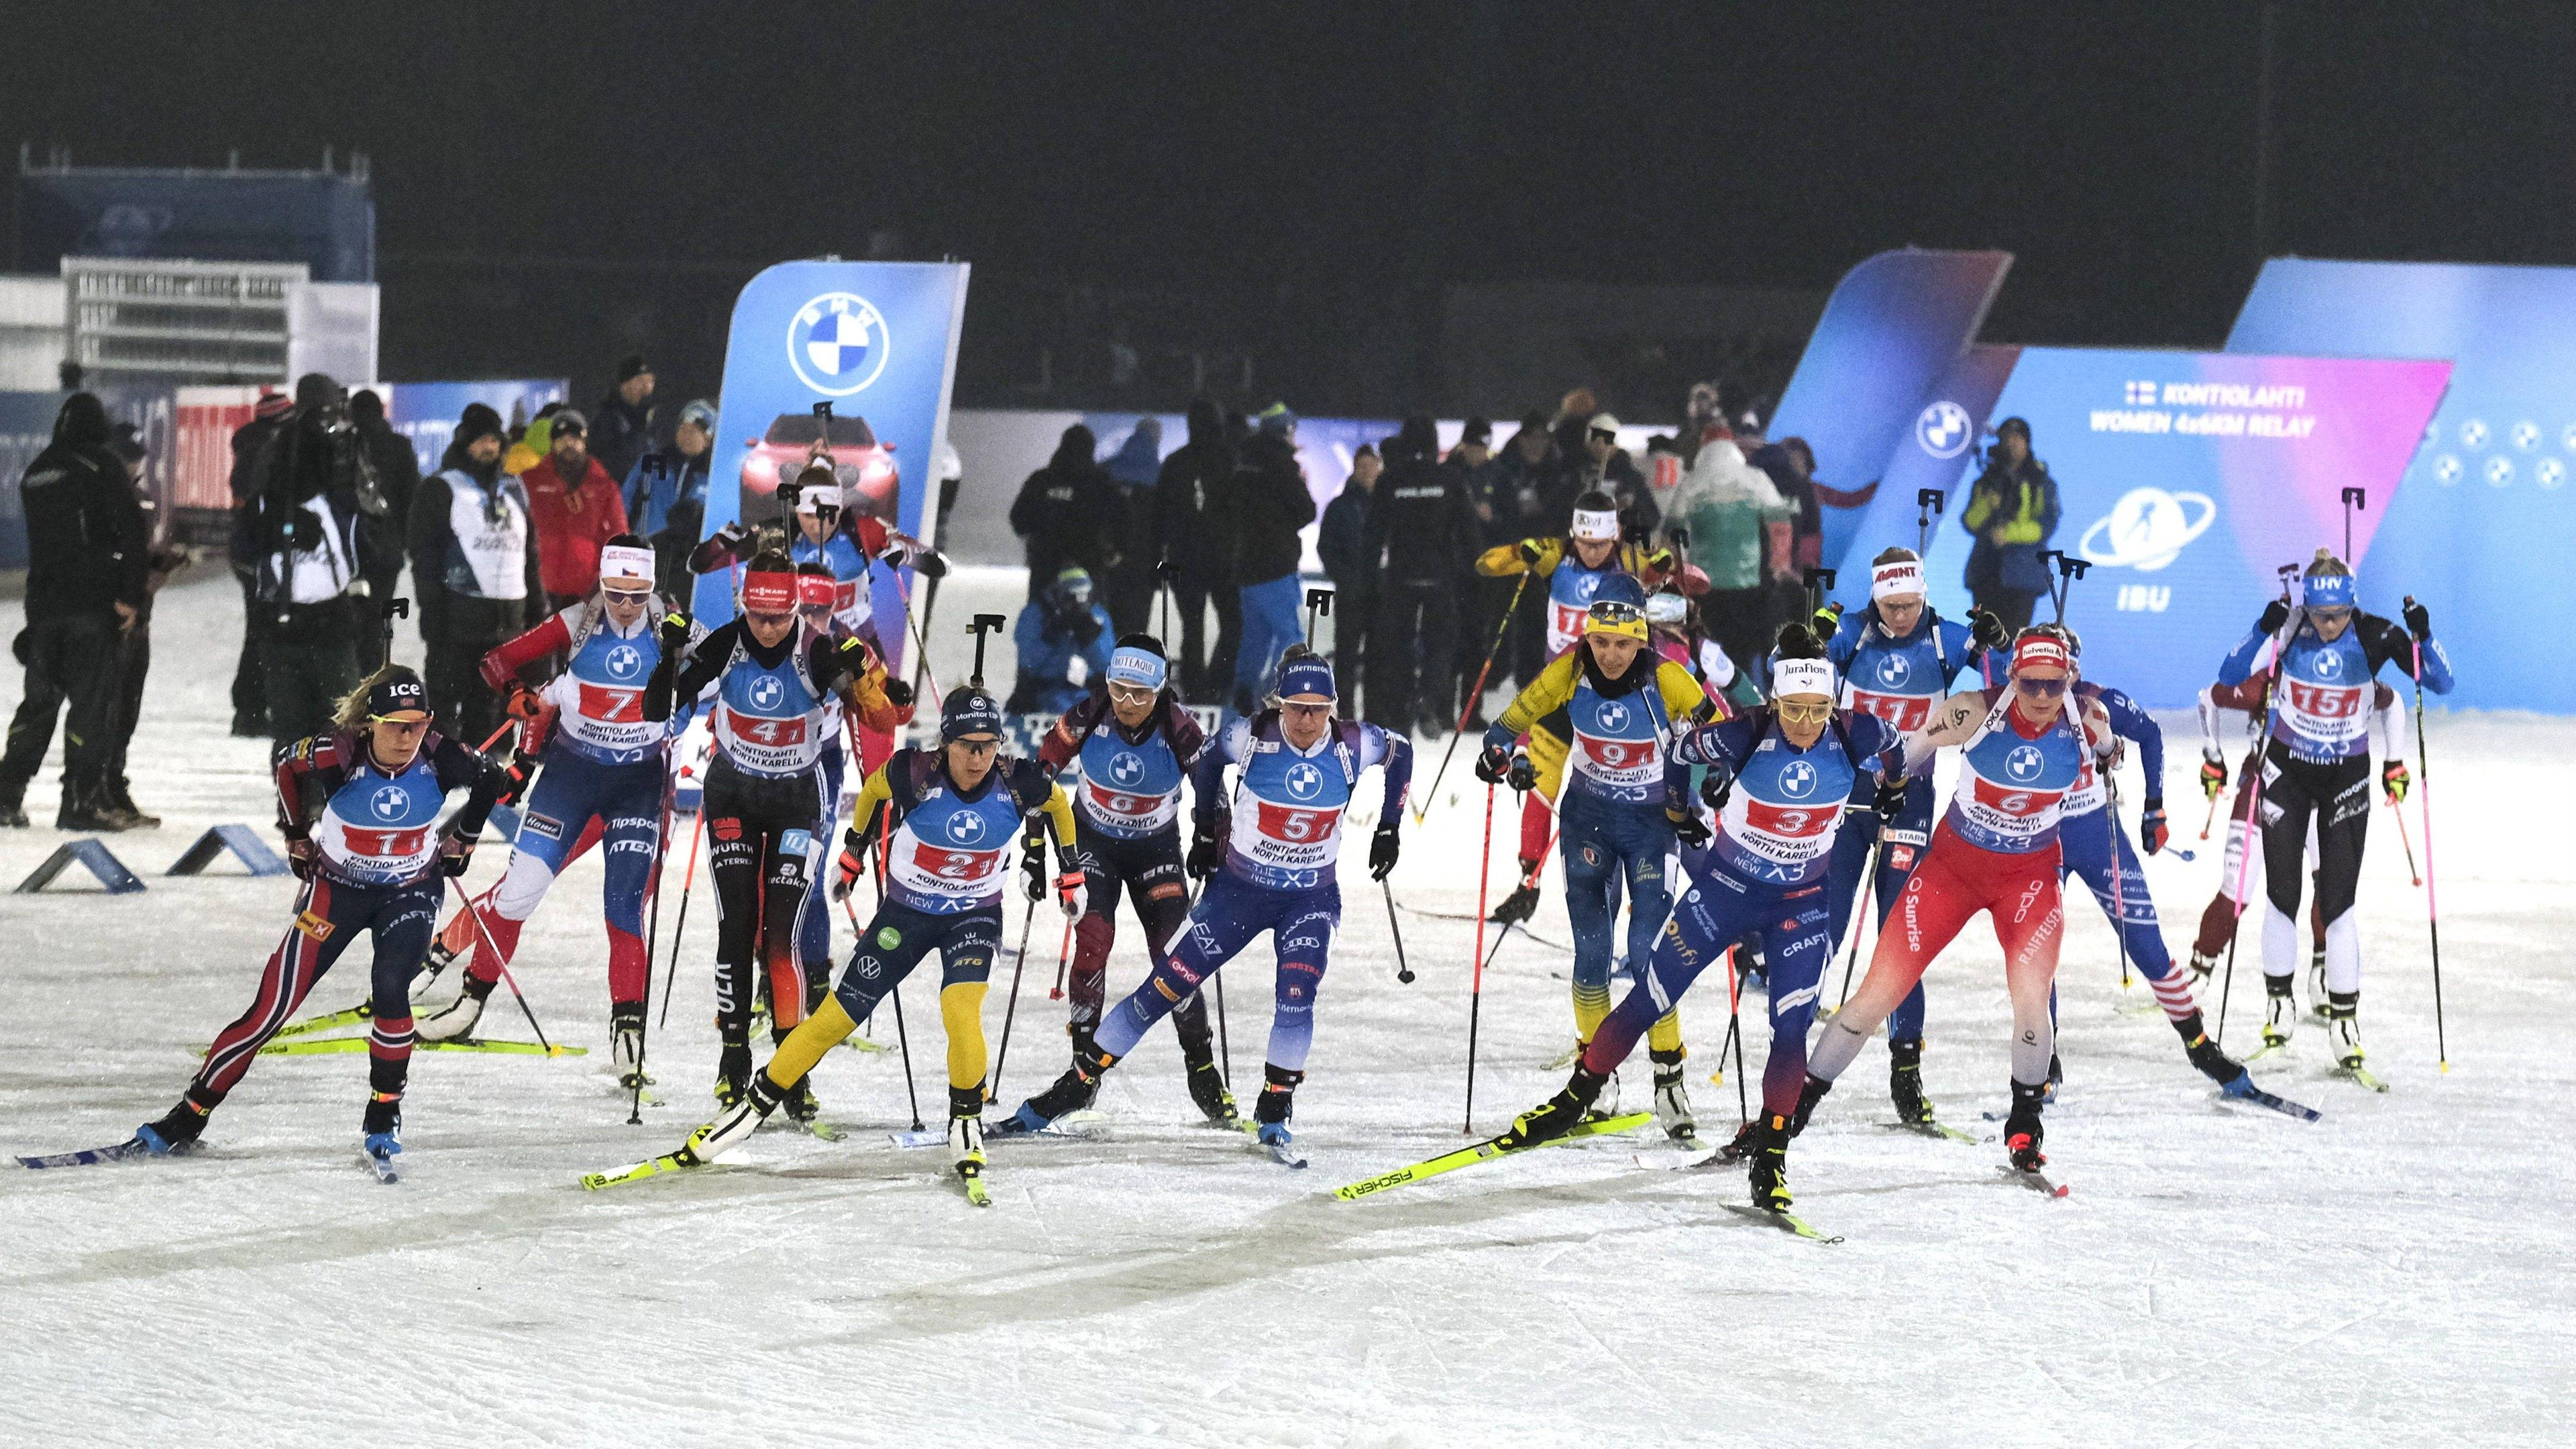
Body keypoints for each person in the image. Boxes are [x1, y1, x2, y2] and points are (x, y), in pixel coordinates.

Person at [1495, 625, 1904, 1216]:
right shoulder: (1745, 730)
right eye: (1794, 709)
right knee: (1648, 997)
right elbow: (1681, 752)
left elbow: (1895, 749)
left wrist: (1893, 789)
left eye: (1818, 710)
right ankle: (1575, 1097)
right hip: (1725, 893)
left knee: (1790, 1031)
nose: (1807, 724)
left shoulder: (1856, 731)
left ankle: (1771, 1156)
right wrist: (1680, 809)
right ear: (1775, 700)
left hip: (1802, 904)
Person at [651, 684, 1079, 1195]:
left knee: (961, 1013)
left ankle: (965, 1122)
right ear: (946, 744)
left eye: (988, 745)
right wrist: (854, 852)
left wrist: (1068, 871)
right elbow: (874, 791)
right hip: (907, 914)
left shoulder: (1018, 782)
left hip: (973, 918)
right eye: (967, 745)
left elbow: (1057, 804)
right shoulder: (914, 774)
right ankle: (750, 1110)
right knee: (832, 1019)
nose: (978, 757)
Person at [1001, 645, 1411, 1156]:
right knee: (1163, 987)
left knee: (1297, 992)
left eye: (1318, 709)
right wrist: (1203, 830)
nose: (1306, 721)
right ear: (1278, 703)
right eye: (1295, 707)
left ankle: (1276, 1104)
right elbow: (1212, 760)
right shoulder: (1251, 735)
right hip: (1239, 894)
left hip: (1309, 898)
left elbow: (1402, 751)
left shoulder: (1357, 742)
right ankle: (1077, 1083)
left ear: (1333, 708)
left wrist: (1390, 826)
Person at [126, 666, 500, 1167]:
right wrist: (295, 835)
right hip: (337, 892)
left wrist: (466, 839)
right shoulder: (338, 753)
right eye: (394, 724)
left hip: (409, 892)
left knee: (392, 988)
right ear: (371, 722)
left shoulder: (441, 755)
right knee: (271, 1008)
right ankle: (190, 1113)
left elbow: (492, 777)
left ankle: (384, 1113)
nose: (406, 736)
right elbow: (286, 765)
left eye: (416, 724)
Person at [1800, 628, 2114, 1183]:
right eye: (2030, 683)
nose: (2041, 696)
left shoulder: (2087, 721)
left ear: (2069, 679)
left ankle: (2025, 1121)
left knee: (2032, 1000)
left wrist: (2114, 758)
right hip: (1953, 869)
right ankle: (1793, 1111)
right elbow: (1912, 751)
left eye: (2053, 684)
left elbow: (2112, 752)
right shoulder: (1973, 712)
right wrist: (1887, 789)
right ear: (2012, 677)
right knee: (1877, 994)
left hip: (2030, 878)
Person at [414, 539, 696, 1088]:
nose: (626, 607)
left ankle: (628, 1035)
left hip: (639, 785)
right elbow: (496, 662)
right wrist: (516, 693)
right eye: (615, 594)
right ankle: (469, 1005)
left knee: (623, 908)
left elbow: (738, 666)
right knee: (518, 892)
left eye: (638, 596)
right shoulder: (577, 622)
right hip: (571, 778)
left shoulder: (675, 627)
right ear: (600, 584)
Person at [642, 551, 902, 1108]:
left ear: (794, 610)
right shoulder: (727, 644)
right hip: (733, 793)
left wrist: (862, 678)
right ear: (745, 608)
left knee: (781, 935)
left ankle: (790, 1067)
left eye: (779, 618)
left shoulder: (816, 648)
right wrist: (670, 653)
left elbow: (882, 721)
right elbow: (653, 708)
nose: (766, 630)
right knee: (737, 927)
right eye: (758, 617)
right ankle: (733, 1056)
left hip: (793, 801)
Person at [1474, 578, 1717, 1141]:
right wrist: (1497, 755)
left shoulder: (1667, 677)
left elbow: (1722, 732)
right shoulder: (1571, 667)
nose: (1610, 654)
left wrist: (1715, 778)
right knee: (1592, 953)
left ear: (1641, 638)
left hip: (1651, 827)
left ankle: (1668, 1077)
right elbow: (1506, 723)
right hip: (1587, 821)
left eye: (1622, 643)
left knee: (1648, 954)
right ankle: (1598, 1073)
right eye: (1601, 641)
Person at [2212, 551, 2453, 1071]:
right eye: (2320, 616)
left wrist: (2423, 637)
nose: (2327, 626)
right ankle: (2279, 1005)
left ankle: (2345, 1023)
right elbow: (2229, 673)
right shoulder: (2291, 626)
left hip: (2345, 779)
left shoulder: (2376, 634)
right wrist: (2260, 630)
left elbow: (2441, 683)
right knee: (2282, 895)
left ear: (2352, 606)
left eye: (2337, 616)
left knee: (2339, 904)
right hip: (2286, 774)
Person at [1815, 548, 2008, 1122]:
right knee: (1826, 918)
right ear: (1875, 598)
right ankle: (1791, 1054)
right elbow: (1789, 671)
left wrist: (1996, 641)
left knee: (1901, 932)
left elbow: (2006, 680)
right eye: (1891, 606)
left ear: (1925, 595)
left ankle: (1905, 1071)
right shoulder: (1850, 633)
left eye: (1911, 605)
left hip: (1913, 797)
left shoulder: (1949, 639)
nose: (1901, 616)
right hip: (1852, 793)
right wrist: (1809, 638)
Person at [1032, 635, 1236, 1124]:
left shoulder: (1180, 727)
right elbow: (1039, 773)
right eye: (1120, 690)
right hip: (1093, 844)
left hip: (1155, 849)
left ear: (1160, 691)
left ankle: (1202, 1068)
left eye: (1140, 694)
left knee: (1175, 953)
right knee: (1094, 941)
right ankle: (1083, 1068)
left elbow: (1213, 791)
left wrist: (1211, 844)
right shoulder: (1088, 715)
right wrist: (1035, 846)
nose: (1127, 704)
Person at [1470, 490, 1697, 924]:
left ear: (1614, 535)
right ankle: (1526, 882)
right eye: (1586, 543)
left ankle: (1644, 888)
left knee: (1626, 786)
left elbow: (1675, 583)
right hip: (1564, 687)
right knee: (1539, 782)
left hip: (1620, 693)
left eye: (1602, 544)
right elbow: (1486, 564)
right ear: (1575, 533)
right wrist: (1522, 552)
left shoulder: (1630, 559)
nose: (1594, 553)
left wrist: (1664, 562)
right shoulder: (1555, 555)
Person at [2046, 627, 2251, 1091]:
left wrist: (2154, 806)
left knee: (2148, 946)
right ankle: (2043, 1059)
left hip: (2099, 835)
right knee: (2039, 953)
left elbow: (2151, 734)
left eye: (2068, 669)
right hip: (2042, 843)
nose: (2056, 682)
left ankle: (2200, 1046)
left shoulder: (2101, 702)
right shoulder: (2016, 708)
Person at [0, 393, 150, 831]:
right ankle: (79, 800)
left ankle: (7, 792)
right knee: (91, 705)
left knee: (39, 704)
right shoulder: (102, 466)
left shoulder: (37, 472)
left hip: (44, 608)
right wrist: (130, 597)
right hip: (91, 606)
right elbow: (131, 532)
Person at [2183, 670, 2372, 982]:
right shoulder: (2267, 679)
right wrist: (2213, 757)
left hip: (2321, 796)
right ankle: (2197, 976)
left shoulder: (2341, 675)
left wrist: (2394, 763)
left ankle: (2323, 974)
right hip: (2264, 790)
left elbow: (2388, 700)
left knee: (2330, 889)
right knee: (2235, 892)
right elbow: (2209, 699)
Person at [246, 375, 398, 747]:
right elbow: (373, 532)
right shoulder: (338, 479)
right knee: (336, 727)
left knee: (295, 730)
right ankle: (323, 802)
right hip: (326, 620)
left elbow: (245, 544)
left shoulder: (272, 466)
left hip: (288, 620)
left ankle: (299, 803)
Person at [410, 403, 543, 746]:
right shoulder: (442, 487)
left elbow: (529, 554)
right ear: (465, 444)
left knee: (495, 705)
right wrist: (432, 612)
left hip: (508, 619)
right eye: (480, 441)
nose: (488, 448)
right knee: (445, 698)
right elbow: (425, 556)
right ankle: (440, 765)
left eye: (494, 441)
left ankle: (488, 776)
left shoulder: (514, 488)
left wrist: (535, 611)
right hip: (458, 615)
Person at [94, 423, 193, 830]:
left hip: (138, 620)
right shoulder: (107, 500)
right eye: (127, 458)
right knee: (108, 709)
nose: (134, 465)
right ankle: (98, 788)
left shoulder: (141, 500)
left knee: (126, 710)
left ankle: (113, 785)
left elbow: (137, 562)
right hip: (115, 621)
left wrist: (157, 567)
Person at [1365, 415, 1482, 737]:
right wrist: (1475, 571)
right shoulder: (1451, 479)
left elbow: (1373, 533)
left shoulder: (1390, 480)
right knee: (1441, 644)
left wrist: (1368, 577)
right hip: (1440, 575)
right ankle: (1429, 700)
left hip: (1400, 576)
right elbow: (1469, 532)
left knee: (1398, 645)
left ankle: (1400, 712)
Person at [1666, 421, 1792, 674]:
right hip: (1747, 584)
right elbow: (1781, 523)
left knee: (1703, 650)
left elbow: (1673, 534)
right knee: (1742, 654)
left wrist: (1676, 573)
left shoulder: (1691, 483)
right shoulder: (1755, 479)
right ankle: (1742, 703)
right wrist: (1779, 564)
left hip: (1703, 586)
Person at [1224, 403, 1317, 716]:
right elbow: (1307, 510)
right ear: (1284, 430)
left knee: (1255, 639)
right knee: (1291, 636)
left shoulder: (1241, 463)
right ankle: (1277, 694)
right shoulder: (1282, 465)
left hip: (1247, 567)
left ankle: (1239, 703)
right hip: (1277, 565)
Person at [1152, 399, 1241, 704]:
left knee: (1193, 626)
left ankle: (1193, 688)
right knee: (1233, 623)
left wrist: (1159, 560)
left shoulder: (1176, 463)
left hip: (1184, 558)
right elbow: (1241, 510)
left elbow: (1159, 516)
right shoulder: (1231, 459)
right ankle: (1220, 681)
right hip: (1224, 559)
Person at [225, 388, 295, 737]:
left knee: (259, 630)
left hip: (250, 552)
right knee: (263, 632)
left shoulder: (251, 446)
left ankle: (250, 706)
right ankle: (251, 708)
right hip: (259, 554)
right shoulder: (264, 451)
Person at [522, 409, 632, 612]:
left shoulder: (604, 486)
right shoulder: (530, 481)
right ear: (552, 443)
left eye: (574, 437)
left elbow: (619, 537)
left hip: (587, 591)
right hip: (539, 589)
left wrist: (608, 583)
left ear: (584, 440)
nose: (568, 444)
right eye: (561, 438)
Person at [1489, 412, 1567, 687]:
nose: (1537, 445)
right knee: (1502, 616)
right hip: (1510, 552)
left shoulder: (1556, 470)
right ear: (1521, 438)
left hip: (1543, 556)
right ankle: (1495, 674)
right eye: (1531, 438)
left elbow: (1561, 510)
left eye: (1542, 439)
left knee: (1537, 619)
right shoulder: (1503, 467)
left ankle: (1529, 678)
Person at [1959, 417, 2059, 633]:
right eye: (2006, 438)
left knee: (2014, 640)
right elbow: (1970, 522)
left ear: (2026, 442)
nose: (2011, 444)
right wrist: (1988, 503)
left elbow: (2047, 524)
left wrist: (2010, 533)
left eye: (2017, 438)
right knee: (1984, 638)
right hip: (1986, 572)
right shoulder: (1987, 480)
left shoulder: (2040, 481)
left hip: (2023, 575)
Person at [347, 388, 421, 667]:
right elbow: (411, 497)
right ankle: (374, 678)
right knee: (379, 620)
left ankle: (351, 681)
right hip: (386, 550)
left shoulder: (346, 445)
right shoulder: (399, 446)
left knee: (349, 622)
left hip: (350, 549)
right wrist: (403, 542)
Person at [1009, 423, 1117, 602]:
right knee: (1090, 619)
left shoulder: (1041, 480)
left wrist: (1036, 537)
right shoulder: (1101, 483)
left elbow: (1018, 518)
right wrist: (1115, 548)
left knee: (1042, 616)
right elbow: (1120, 517)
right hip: (1089, 564)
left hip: (1045, 564)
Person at [621, 397, 714, 598]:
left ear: (708, 439)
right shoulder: (652, 463)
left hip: (686, 567)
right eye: (684, 428)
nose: (687, 435)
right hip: (645, 557)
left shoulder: (712, 476)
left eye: (694, 432)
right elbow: (624, 503)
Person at [1316, 443, 1379, 714]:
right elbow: (1326, 547)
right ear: (1354, 469)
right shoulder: (1340, 506)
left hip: (1380, 593)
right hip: (1351, 594)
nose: (1366, 472)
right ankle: (1345, 713)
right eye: (1361, 467)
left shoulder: (1384, 504)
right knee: (1347, 657)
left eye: (1371, 466)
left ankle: (1376, 711)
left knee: (1378, 657)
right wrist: (1345, 578)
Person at [1008, 566, 1116, 717]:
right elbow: (1027, 663)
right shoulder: (1034, 615)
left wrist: (1091, 639)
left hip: (1086, 695)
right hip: (1041, 696)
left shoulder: (1098, 616)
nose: (1077, 604)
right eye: (1071, 598)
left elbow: (1107, 667)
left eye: (1083, 597)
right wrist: (1051, 636)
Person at [1099, 417, 1164, 634]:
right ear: (1157, 440)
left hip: (1110, 560)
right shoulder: (1162, 475)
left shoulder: (1106, 470)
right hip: (1144, 563)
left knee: (1109, 621)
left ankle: (1105, 665)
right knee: (1136, 625)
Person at [1570, 413, 1659, 543]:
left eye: (1607, 440)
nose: (1601, 447)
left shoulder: (1629, 478)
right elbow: (1558, 509)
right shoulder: (1574, 472)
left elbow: (1652, 518)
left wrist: (1630, 507)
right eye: (1596, 440)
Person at [589, 354, 657, 488]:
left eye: (651, 381)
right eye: (640, 381)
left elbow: (658, 462)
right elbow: (602, 467)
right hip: (617, 499)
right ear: (624, 386)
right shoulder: (607, 419)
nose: (647, 387)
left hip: (644, 500)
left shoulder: (653, 420)